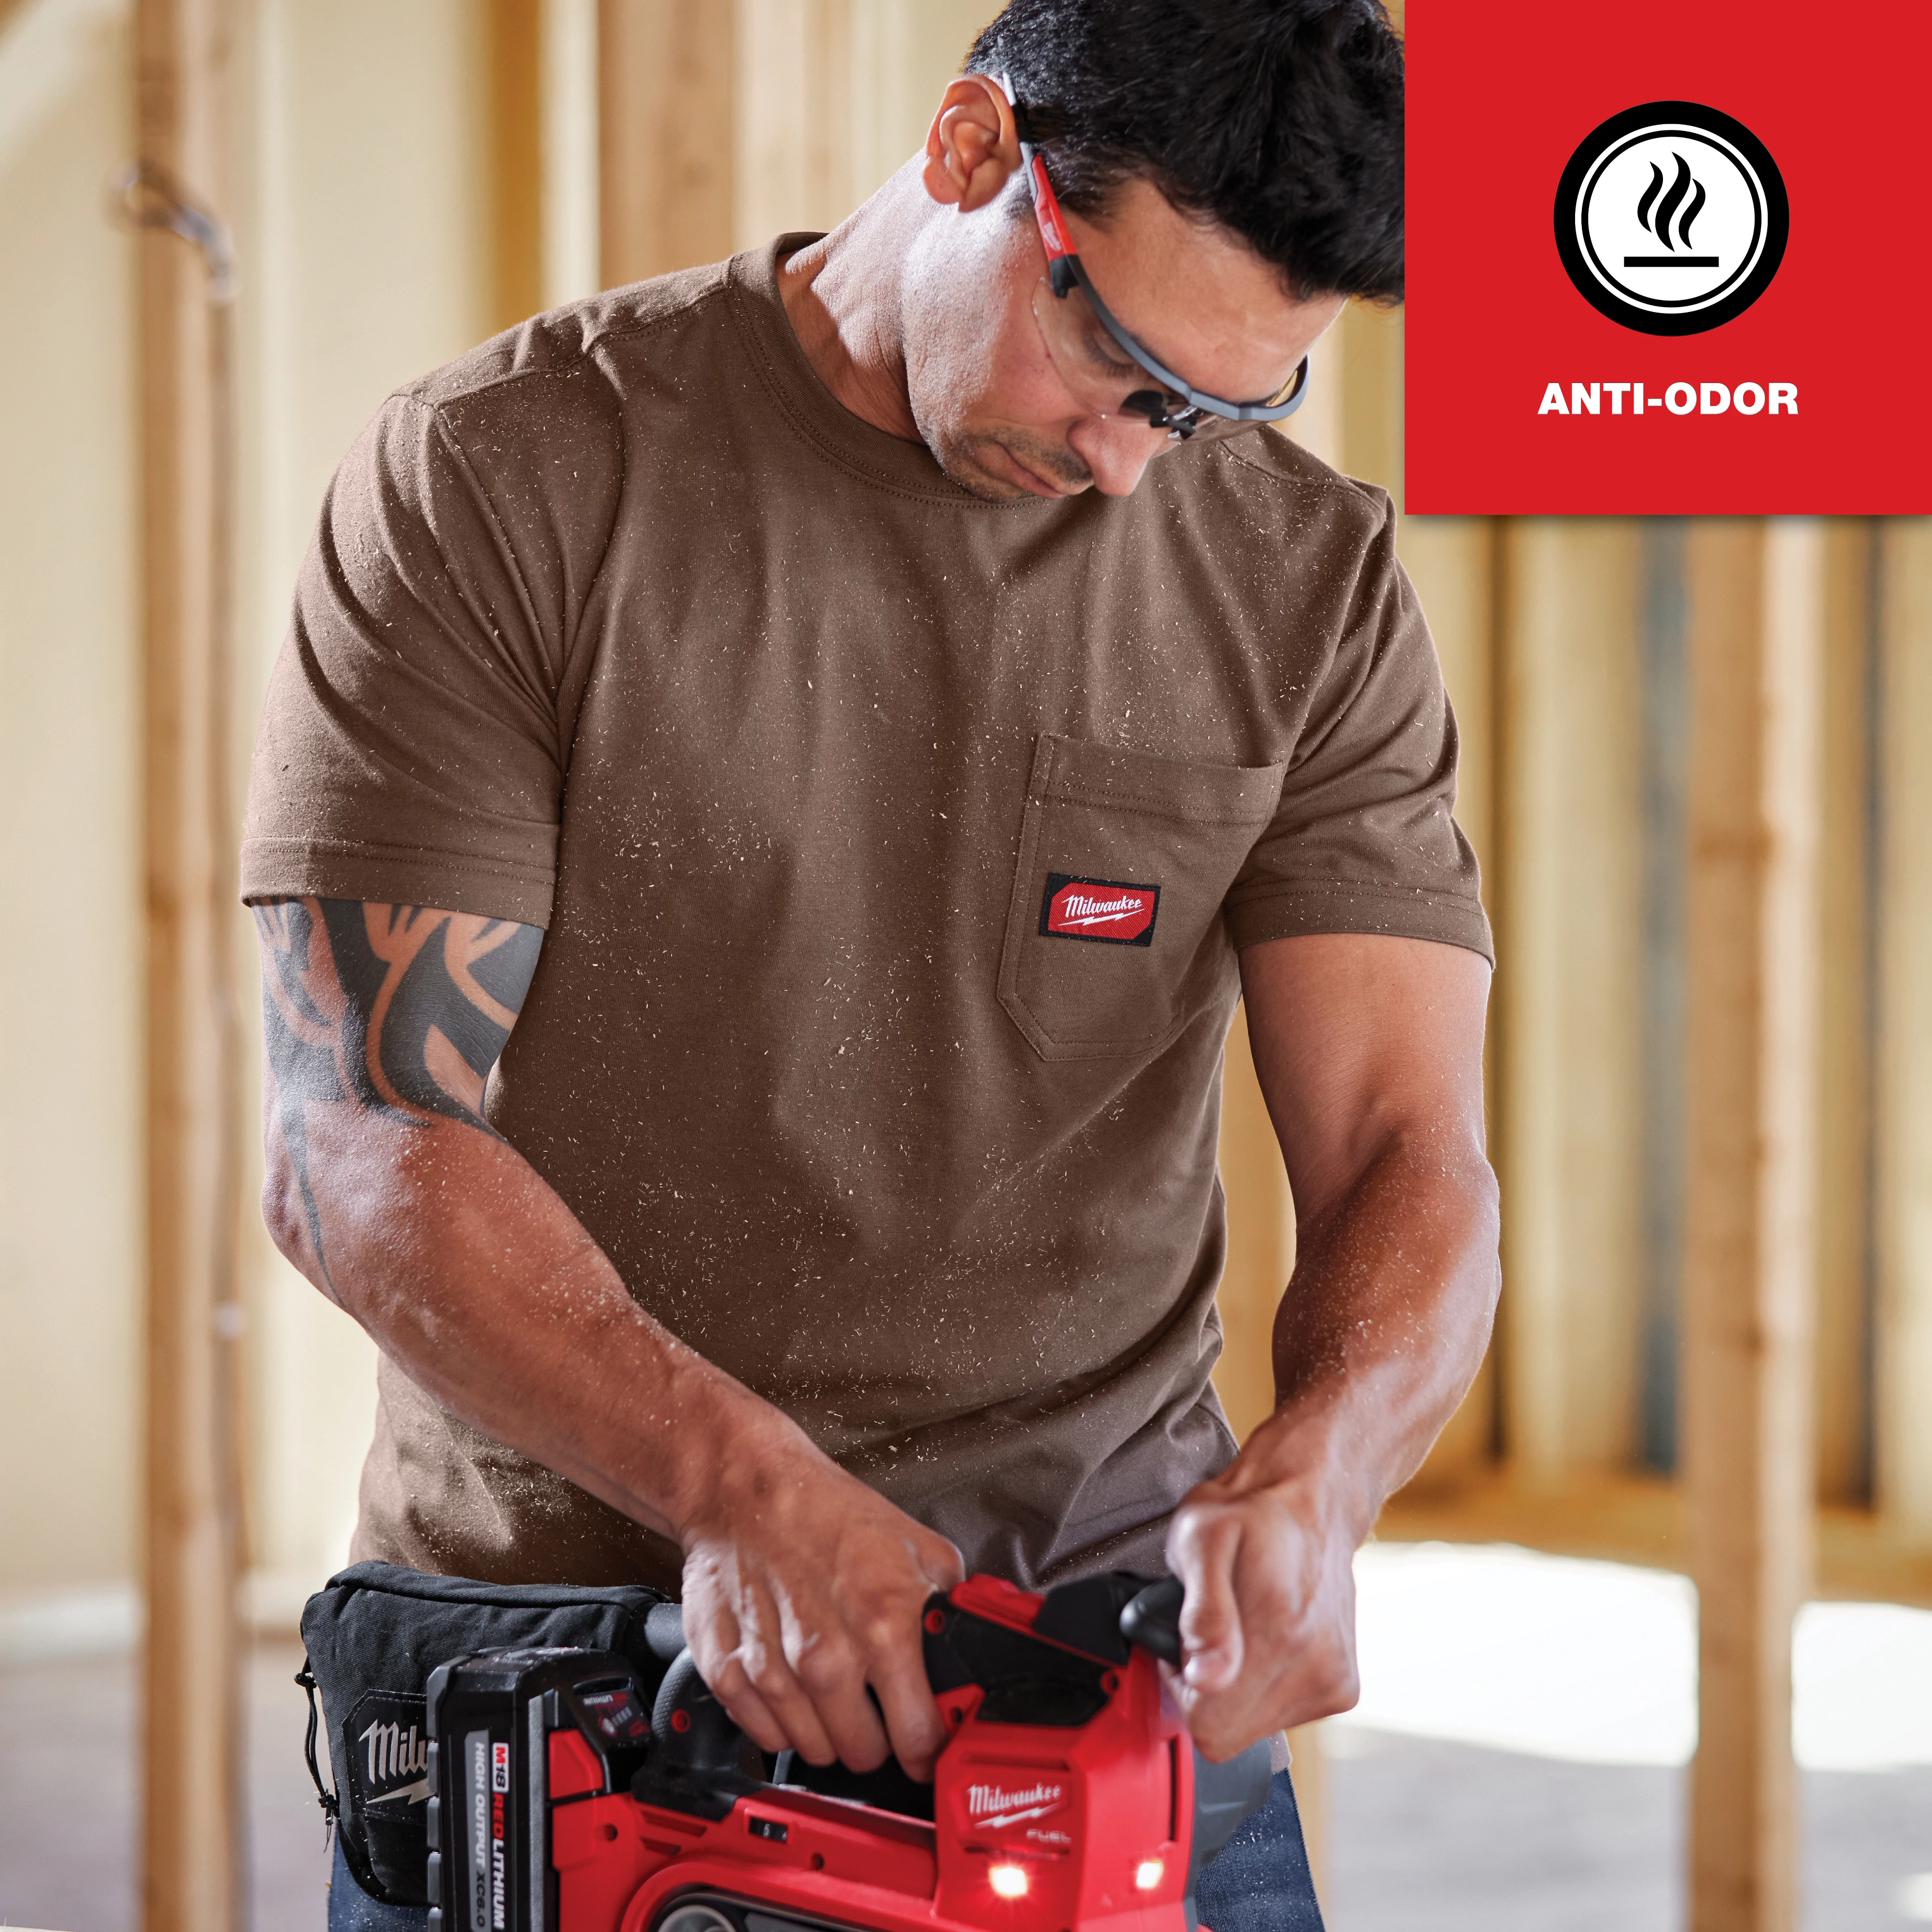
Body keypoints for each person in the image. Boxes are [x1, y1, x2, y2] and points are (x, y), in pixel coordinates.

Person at [243, 3, 1496, 1926]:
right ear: (975, 149)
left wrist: (1328, 1473)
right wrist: (738, 1487)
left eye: (1214, 412)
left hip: (1089, 1679)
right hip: (578, 1681)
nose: (1129, 465)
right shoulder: (505, 478)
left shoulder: (1302, 583)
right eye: (1116, 362)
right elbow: (358, 1137)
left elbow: (1412, 1147)